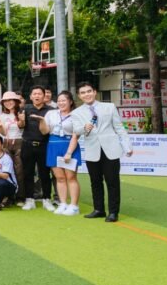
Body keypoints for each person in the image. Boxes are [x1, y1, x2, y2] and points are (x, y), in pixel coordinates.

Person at [72, 82, 131, 222]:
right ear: (79, 96)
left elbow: (119, 127)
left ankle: (113, 212)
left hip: (111, 149)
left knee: (112, 182)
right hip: (92, 150)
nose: (87, 94)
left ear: (94, 92)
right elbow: (76, 130)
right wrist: (84, 128)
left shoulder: (109, 107)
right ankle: (98, 209)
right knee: (95, 181)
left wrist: (127, 146)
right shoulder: (76, 113)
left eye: (89, 91)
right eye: (83, 92)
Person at [39, 90, 82, 216]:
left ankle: (74, 206)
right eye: (59, 101)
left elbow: (76, 136)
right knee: (60, 177)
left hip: (69, 145)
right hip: (53, 146)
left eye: (64, 100)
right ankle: (63, 203)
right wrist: (41, 121)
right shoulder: (51, 113)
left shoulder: (76, 115)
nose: (61, 103)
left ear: (70, 102)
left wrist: (69, 152)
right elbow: (45, 131)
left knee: (71, 177)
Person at [18, 86, 53, 211]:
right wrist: (21, 121)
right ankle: (29, 199)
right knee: (28, 173)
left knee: (45, 173)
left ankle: (47, 199)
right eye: (34, 94)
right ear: (30, 96)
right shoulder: (25, 109)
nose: (37, 96)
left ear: (44, 96)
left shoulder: (51, 110)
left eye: (39, 94)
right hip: (27, 145)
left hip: (44, 145)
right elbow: (20, 126)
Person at [0, 92, 24, 191]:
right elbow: (3, 133)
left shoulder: (21, 113)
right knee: (7, 169)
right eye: (5, 101)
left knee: (19, 169)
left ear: (16, 101)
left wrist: (22, 120)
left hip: (19, 142)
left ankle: (20, 194)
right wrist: (0, 126)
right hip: (6, 143)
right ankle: (9, 194)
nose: (8, 103)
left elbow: (22, 126)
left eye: (10, 100)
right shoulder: (2, 116)